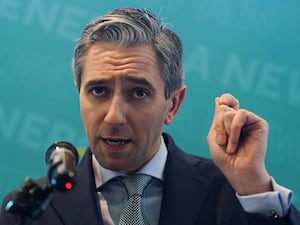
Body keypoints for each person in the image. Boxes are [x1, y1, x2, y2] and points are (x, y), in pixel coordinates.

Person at [1, 7, 300, 225]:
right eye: (99, 91)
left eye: (139, 93)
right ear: (79, 93)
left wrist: (253, 185)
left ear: (173, 104)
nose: (114, 116)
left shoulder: (233, 195)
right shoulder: (27, 210)